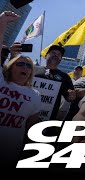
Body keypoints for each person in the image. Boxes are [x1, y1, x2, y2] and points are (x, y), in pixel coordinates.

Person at [0, 11, 41, 167]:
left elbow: (32, 127)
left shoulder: (35, 95)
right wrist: (2, 22)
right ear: (10, 67)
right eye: (20, 63)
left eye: (28, 66)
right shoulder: (1, 82)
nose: (25, 67)